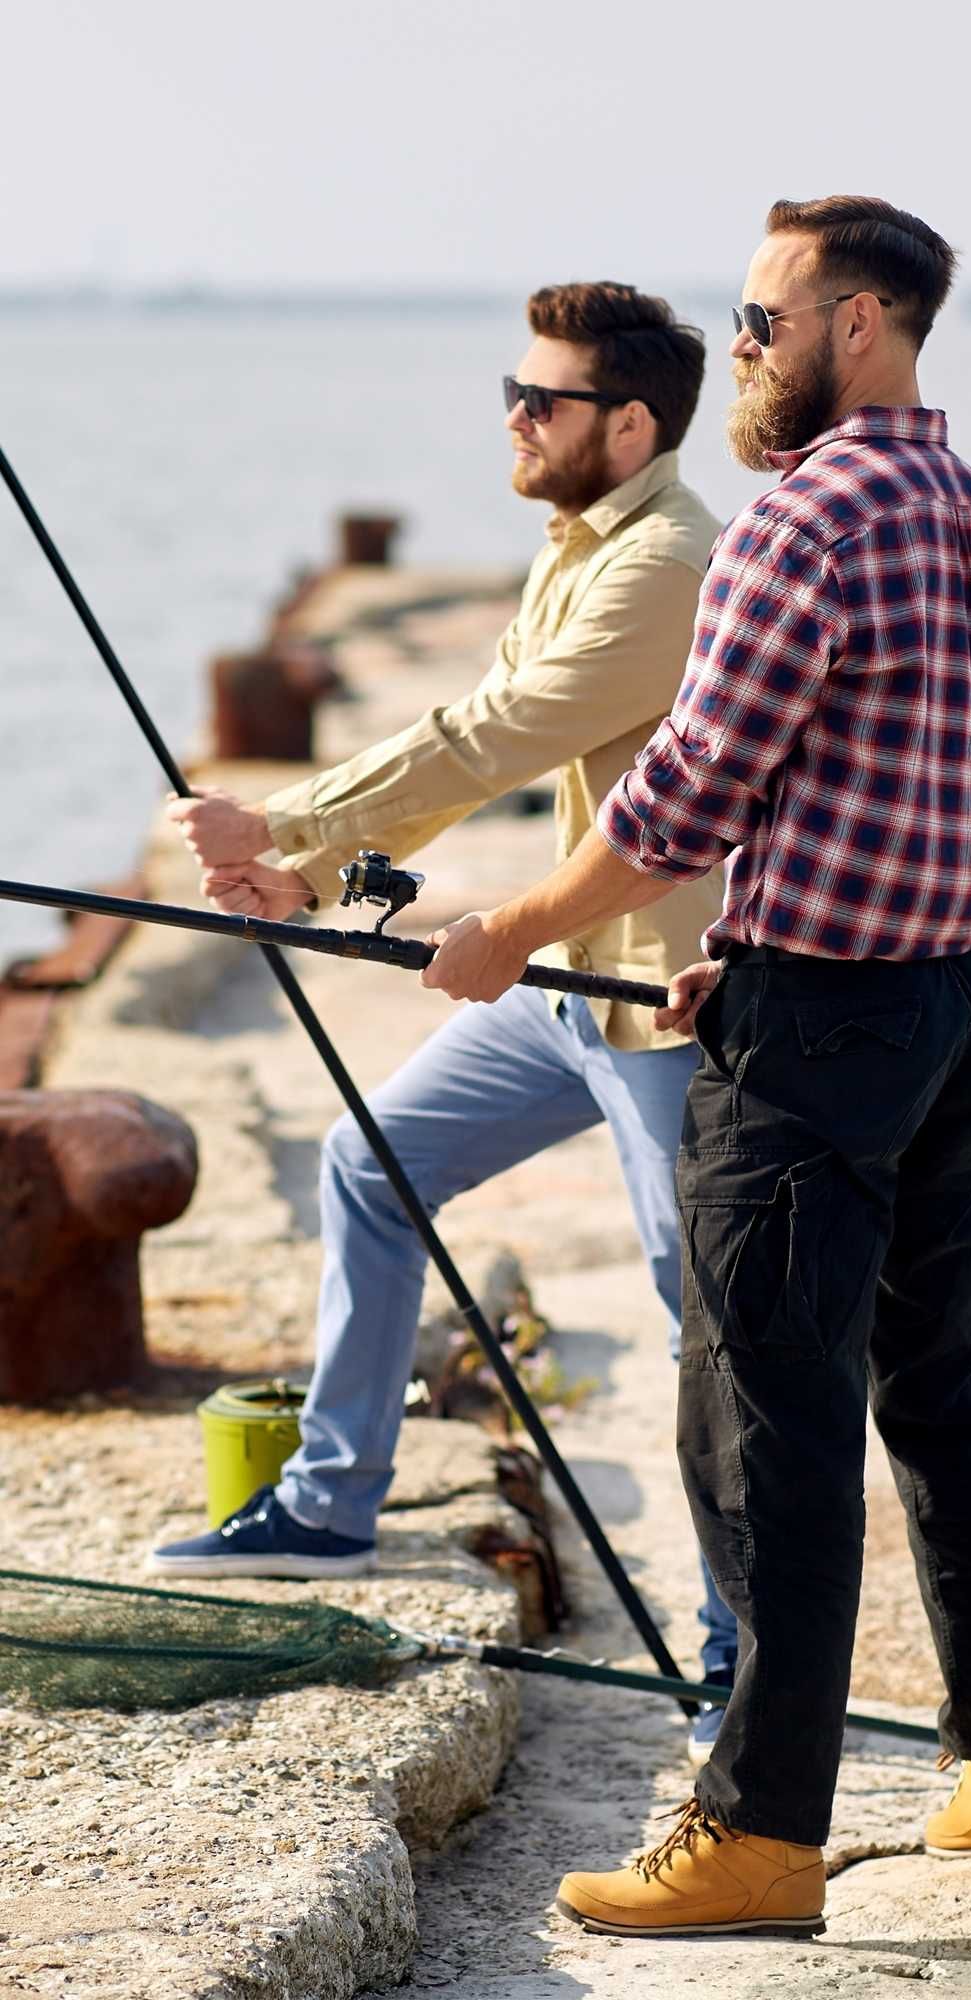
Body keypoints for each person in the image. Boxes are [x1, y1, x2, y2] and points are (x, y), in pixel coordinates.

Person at [421, 196, 971, 1940]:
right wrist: (765, 940)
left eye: (769, 321)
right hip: (946, 1012)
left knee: (762, 1420)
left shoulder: (802, 521)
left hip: (821, 1046)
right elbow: (939, 791)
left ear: (860, 324)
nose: (750, 353)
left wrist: (511, 928)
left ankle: (761, 1832)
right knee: (937, 1395)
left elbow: (686, 796)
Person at [147, 281, 743, 1764]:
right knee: (373, 1161)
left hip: (661, 1005)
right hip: (572, 974)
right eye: (512, 391)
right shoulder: (582, 546)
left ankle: (750, 1660)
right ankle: (330, 1504)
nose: (512, 420)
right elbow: (489, 718)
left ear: (630, 422)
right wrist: (300, 867)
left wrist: (280, 814)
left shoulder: (668, 560)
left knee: (707, 1338)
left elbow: (498, 735)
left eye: (539, 401)